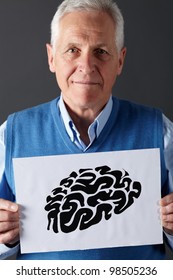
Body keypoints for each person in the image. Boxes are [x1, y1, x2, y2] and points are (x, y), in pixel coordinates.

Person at [0, 0, 173, 260]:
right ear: (51, 57)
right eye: (72, 50)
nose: (86, 64)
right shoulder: (10, 135)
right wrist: (4, 238)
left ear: (120, 61)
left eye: (101, 51)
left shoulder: (161, 133)